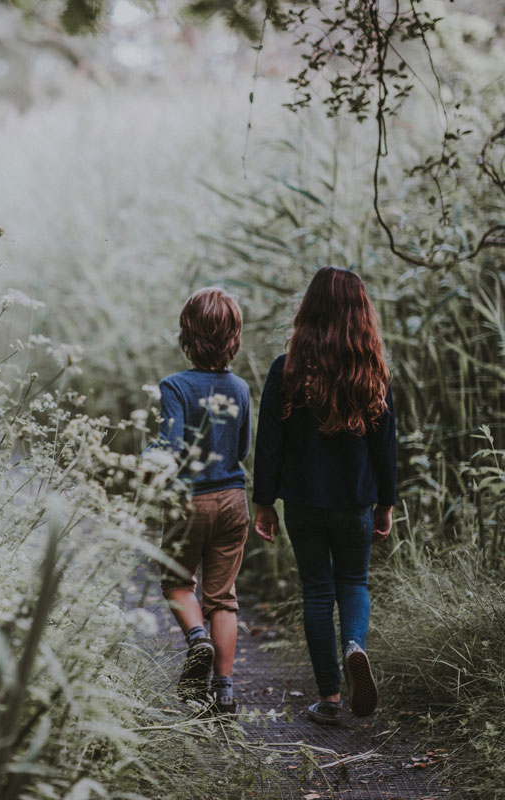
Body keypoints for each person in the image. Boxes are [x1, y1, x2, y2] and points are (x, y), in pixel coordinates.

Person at [253, 266, 396, 725]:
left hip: (303, 502)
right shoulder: (371, 371)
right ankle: (355, 644)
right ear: (361, 315)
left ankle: (331, 700)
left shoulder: (287, 370)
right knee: (353, 583)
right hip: (354, 501)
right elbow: (385, 444)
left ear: (307, 311)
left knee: (316, 591)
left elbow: (268, 442)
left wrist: (264, 501)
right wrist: (386, 502)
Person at [156, 287, 251, 714]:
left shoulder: (174, 386)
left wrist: (148, 460)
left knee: (177, 580)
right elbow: (243, 449)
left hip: (188, 500)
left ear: (186, 335)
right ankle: (225, 690)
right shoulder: (241, 388)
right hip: (233, 499)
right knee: (223, 596)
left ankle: (198, 640)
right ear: (234, 337)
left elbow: (170, 447)